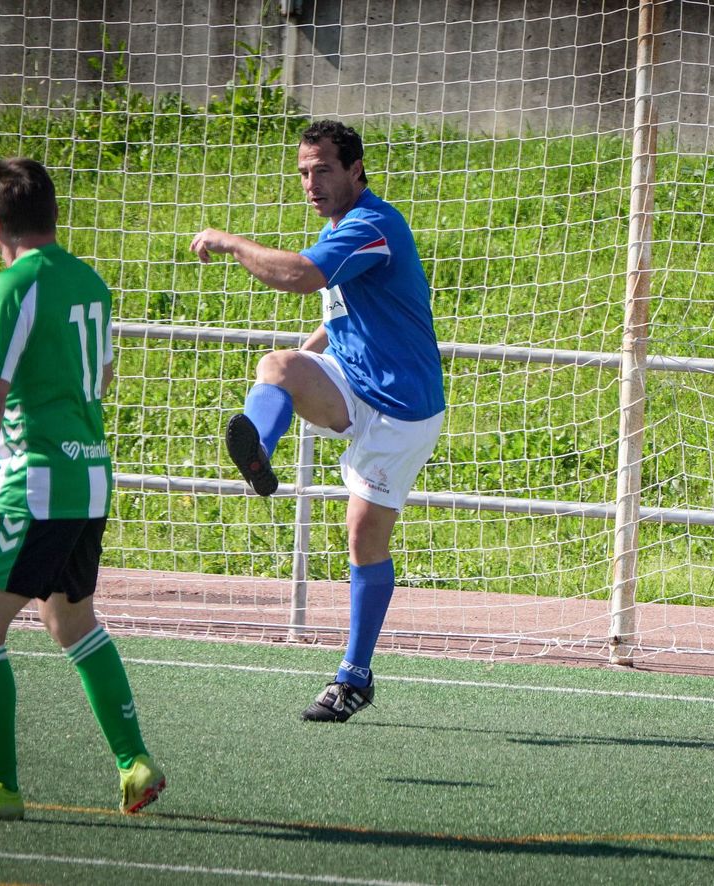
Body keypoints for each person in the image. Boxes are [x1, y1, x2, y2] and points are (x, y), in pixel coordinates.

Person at [190, 120, 446, 723]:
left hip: (402, 410)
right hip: (354, 384)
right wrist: (311, 360)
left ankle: (355, 677)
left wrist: (230, 243)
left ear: (356, 169)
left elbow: (303, 278)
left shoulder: (373, 224)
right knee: (279, 365)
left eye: (323, 169)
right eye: (304, 172)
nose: (311, 182)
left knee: (363, 538)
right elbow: (342, 311)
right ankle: (259, 450)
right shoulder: (341, 228)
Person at [0, 158, 165, 820]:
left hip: (31, 485)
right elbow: (105, 375)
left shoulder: (12, 285)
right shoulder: (88, 282)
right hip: (89, 479)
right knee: (70, 621)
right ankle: (134, 762)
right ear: (52, 215)